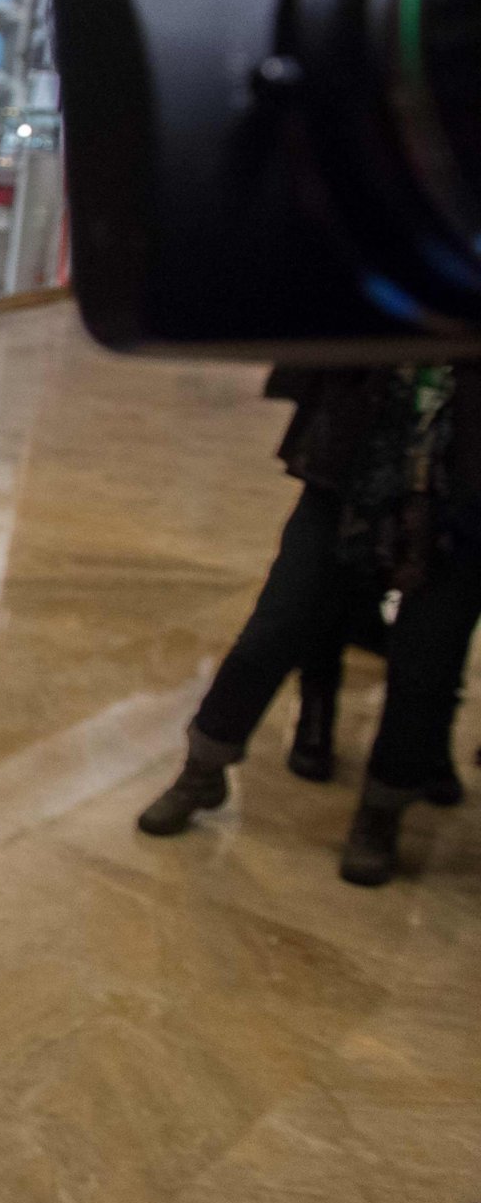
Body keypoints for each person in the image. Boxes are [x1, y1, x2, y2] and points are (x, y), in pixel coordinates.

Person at [140, 365, 481, 886]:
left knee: (426, 663)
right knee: (277, 623)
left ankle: (381, 811)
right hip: (353, 459)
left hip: (465, 490)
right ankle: (201, 770)